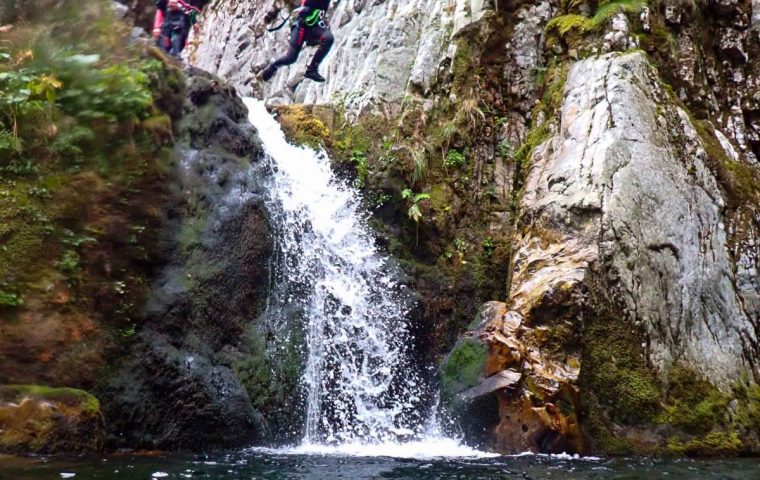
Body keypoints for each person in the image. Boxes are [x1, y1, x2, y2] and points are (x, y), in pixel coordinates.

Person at [259, 0, 334, 83]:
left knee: (328, 38)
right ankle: (274, 66)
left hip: (316, 26)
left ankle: (312, 70)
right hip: (301, 25)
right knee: (291, 58)